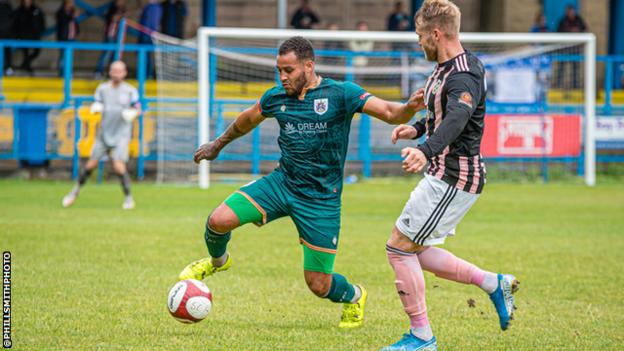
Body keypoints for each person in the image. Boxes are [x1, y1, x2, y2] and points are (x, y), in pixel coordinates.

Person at [178, 36, 424, 329]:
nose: (283, 77)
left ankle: (355, 296)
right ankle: (217, 262)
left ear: (309, 65)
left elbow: (389, 113)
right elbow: (247, 119)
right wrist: (217, 144)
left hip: (321, 200)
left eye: (289, 70)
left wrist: (410, 107)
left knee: (318, 284)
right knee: (218, 220)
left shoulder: (342, 94)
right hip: (282, 184)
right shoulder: (276, 97)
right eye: (279, 70)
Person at [380, 1, 519, 350]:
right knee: (416, 250)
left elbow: (458, 118)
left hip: (455, 177)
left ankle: (422, 337)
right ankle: (492, 282)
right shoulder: (447, 67)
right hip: (444, 174)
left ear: (436, 33)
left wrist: (425, 150)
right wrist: (416, 129)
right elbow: (443, 114)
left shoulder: (463, 74)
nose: (418, 42)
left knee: (398, 250)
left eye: (420, 35)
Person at [63, 61, 141, 210]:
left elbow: (138, 108)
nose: (117, 73)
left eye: (120, 71)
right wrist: (96, 108)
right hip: (104, 134)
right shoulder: (102, 89)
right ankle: (74, 192)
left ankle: (128, 199)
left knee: (118, 165)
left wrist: (132, 113)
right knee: (90, 164)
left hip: (121, 135)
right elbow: (97, 104)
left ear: (124, 73)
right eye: (114, 71)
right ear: (110, 72)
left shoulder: (130, 90)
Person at [556, 5, 586, 89]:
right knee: (561, 68)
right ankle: (558, 86)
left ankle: (575, 87)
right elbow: (558, 32)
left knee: (575, 69)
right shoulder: (563, 21)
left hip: (575, 49)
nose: (570, 13)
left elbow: (584, 29)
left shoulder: (578, 20)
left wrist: (577, 31)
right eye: (568, 12)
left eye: (571, 11)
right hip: (564, 49)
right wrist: (569, 31)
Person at [12, 0, 45, 75]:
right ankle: (27, 66)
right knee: (25, 52)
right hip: (23, 36)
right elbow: (15, 23)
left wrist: (40, 31)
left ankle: (25, 64)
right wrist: (16, 35)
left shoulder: (36, 10)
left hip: (34, 35)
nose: (27, 2)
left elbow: (41, 21)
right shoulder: (19, 10)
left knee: (37, 51)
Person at [95, 0, 126, 78]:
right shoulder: (113, 8)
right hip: (110, 35)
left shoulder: (122, 9)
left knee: (114, 56)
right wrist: (120, 16)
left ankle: (111, 73)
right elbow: (113, 18)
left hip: (117, 37)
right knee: (105, 54)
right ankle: (98, 72)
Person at [139, 0, 162, 78]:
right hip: (145, 35)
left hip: (148, 36)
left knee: (147, 56)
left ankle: (148, 75)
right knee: (145, 57)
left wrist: (149, 34)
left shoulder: (154, 7)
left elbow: (152, 23)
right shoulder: (148, 7)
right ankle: (146, 74)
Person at [56, 0, 80, 76]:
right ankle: (61, 73)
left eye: (72, 3)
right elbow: (63, 21)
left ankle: (68, 72)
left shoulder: (72, 13)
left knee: (70, 57)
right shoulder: (60, 12)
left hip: (72, 38)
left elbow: (75, 24)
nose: (71, 5)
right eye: (70, 3)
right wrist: (72, 16)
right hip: (63, 38)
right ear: (65, 3)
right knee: (62, 57)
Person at [0, 0, 13, 75]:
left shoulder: (7, 5)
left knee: (7, 51)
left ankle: (8, 68)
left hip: (6, 33)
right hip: (5, 32)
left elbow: (12, 18)